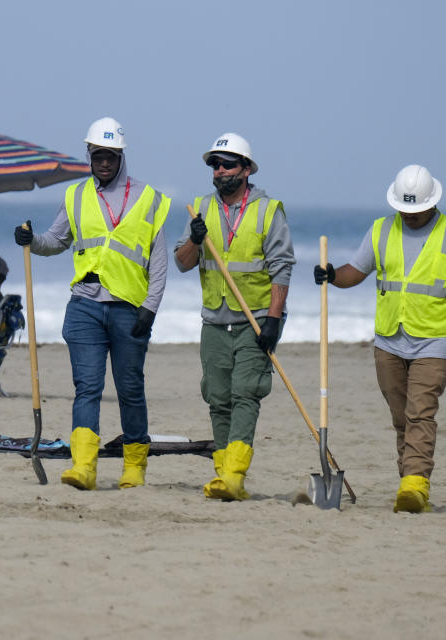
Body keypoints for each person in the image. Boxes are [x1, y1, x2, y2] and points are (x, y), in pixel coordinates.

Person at [314, 164, 446, 513]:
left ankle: (415, 484)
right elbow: (356, 272)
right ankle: (409, 478)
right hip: (389, 340)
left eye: (415, 211)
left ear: (431, 204)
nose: (408, 216)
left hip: (434, 341)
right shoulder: (381, 230)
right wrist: (332, 275)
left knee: (421, 413)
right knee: (401, 418)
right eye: (403, 210)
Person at [14, 116, 170, 490]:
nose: (103, 163)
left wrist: (150, 307)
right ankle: (84, 466)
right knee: (87, 387)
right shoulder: (76, 195)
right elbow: (56, 241)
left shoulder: (148, 198)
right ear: (89, 154)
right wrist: (31, 240)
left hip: (129, 307)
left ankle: (134, 468)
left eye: (110, 156)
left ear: (121, 156)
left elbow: (159, 260)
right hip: (84, 304)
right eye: (98, 155)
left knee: (130, 388)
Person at [173, 132, 295, 501]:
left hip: (255, 318)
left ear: (245, 169)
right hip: (214, 320)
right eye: (215, 164)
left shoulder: (268, 210)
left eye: (227, 164)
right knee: (217, 396)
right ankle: (223, 471)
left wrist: (273, 319)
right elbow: (182, 263)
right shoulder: (200, 209)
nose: (220, 170)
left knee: (246, 393)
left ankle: (234, 475)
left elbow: (282, 266)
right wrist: (194, 239)